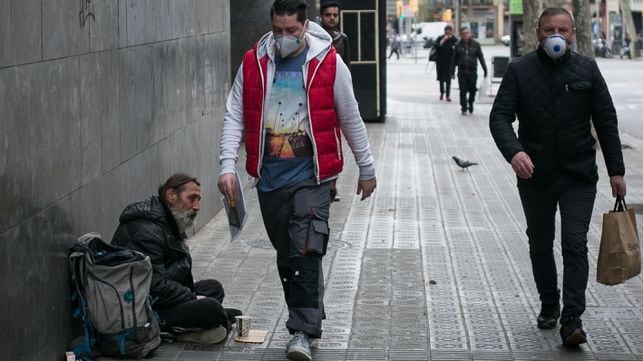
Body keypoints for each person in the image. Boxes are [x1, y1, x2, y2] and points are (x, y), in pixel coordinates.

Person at [217, 1, 376, 360]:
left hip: (313, 176)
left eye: (291, 31)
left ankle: (301, 332)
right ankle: (309, 312)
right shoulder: (254, 63)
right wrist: (228, 166)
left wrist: (367, 169)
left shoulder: (329, 62)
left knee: (305, 247)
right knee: (290, 255)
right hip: (270, 179)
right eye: (278, 31)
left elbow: (351, 116)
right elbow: (234, 115)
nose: (284, 38)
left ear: (307, 26)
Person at [489, 8, 626, 347]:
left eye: (563, 29)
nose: (557, 35)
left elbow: (606, 121)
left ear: (573, 32)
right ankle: (549, 303)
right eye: (550, 29)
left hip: (578, 173)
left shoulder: (587, 69)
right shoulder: (520, 70)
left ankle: (572, 319)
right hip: (535, 174)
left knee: (574, 242)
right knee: (539, 241)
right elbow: (500, 117)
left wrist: (616, 171)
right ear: (538, 33)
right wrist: (515, 152)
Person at [111, 173, 242, 345]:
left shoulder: (168, 219)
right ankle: (176, 331)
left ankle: (199, 323)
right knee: (212, 308)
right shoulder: (145, 230)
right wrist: (191, 297)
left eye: (199, 200)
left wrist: (190, 293)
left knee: (213, 288)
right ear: (171, 196)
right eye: (192, 199)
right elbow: (154, 286)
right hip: (142, 309)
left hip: (158, 297)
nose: (197, 207)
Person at [452, 26, 487, 115]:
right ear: (461, 35)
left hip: (472, 71)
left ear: (470, 34)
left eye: (467, 33)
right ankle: (464, 107)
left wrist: (485, 69)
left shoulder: (476, 44)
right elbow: (454, 60)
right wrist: (452, 72)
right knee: (463, 91)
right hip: (462, 71)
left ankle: (471, 103)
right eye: (463, 34)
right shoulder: (457, 45)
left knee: (472, 90)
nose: (465, 35)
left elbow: (481, 58)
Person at [320, 1, 351, 68]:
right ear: (321, 17)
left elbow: (347, 65)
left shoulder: (343, 38)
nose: (332, 18)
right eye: (328, 15)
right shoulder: (315, 37)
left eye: (335, 15)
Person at [434, 25, 457, 101]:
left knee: (448, 79)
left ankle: (448, 95)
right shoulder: (440, 38)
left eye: (449, 31)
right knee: (441, 79)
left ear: (451, 31)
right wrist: (443, 40)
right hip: (440, 62)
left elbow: (457, 49)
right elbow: (436, 46)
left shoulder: (454, 39)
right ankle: (441, 93)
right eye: (446, 31)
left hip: (449, 63)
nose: (447, 32)